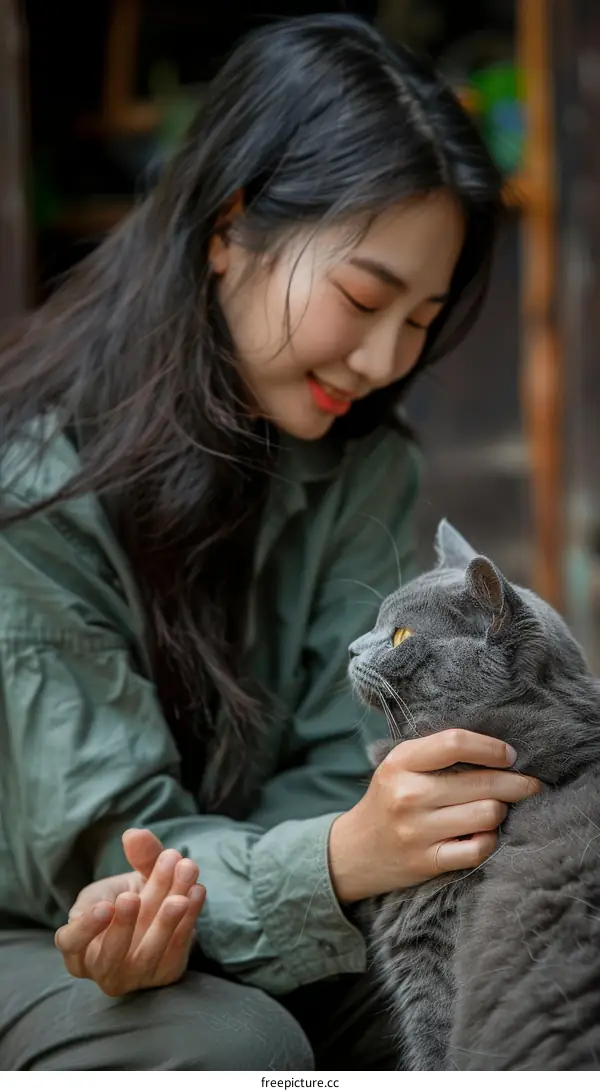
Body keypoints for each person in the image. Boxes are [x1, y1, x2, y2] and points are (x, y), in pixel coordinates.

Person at [0, 14, 539, 1071]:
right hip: (43, 928)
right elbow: (109, 859)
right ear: (229, 226)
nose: (387, 357)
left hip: (263, 898)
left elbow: (356, 759)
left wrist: (360, 841)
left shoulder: (362, 461)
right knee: (227, 1042)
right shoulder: (30, 490)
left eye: (424, 316)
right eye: (364, 296)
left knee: (510, 975)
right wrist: (341, 855)